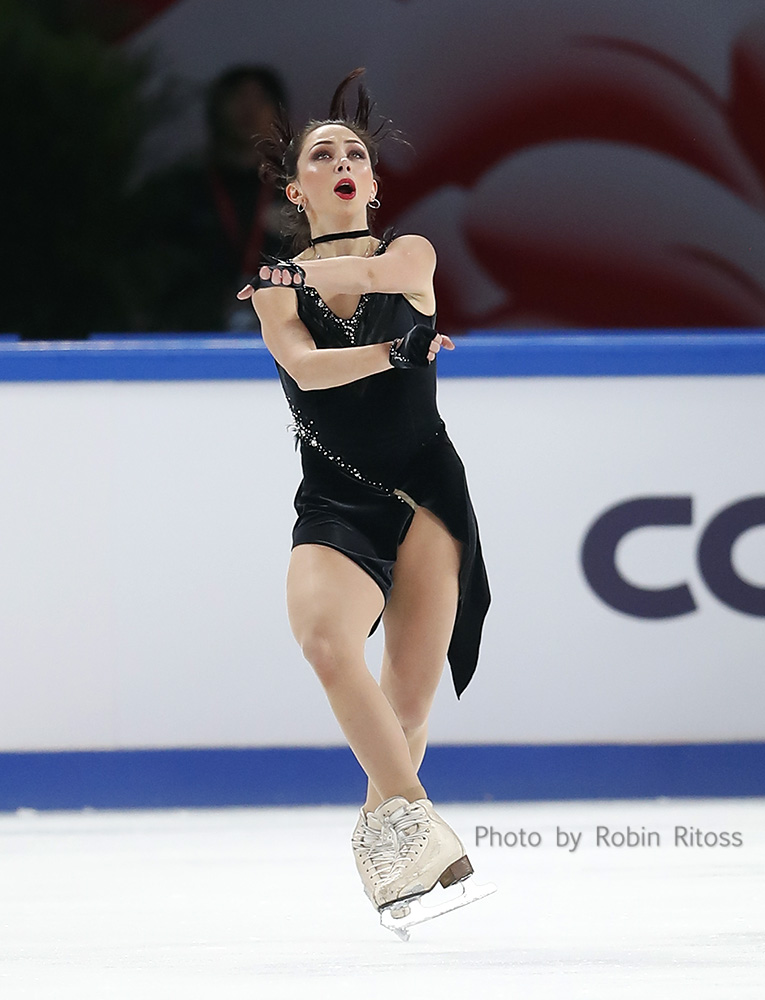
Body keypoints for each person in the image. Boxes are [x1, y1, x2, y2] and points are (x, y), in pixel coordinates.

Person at [237, 68, 492, 934]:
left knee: (407, 706)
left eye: (355, 154)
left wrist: (297, 277)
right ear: (296, 189)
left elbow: (380, 270)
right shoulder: (277, 289)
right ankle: (417, 832)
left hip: (426, 494)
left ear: (373, 184)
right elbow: (306, 369)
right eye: (322, 155)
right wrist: (394, 352)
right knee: (323, 638)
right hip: (336, 497)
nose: (342, 162)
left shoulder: (409, 254)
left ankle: (383, 844)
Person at [133, 66, 287, 331]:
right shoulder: (177, 191)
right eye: (237, 97)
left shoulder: (299, 193)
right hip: (191, 329)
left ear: (279, 115)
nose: (249, 108)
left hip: (288, 334)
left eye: (261, 99)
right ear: (216, 109)